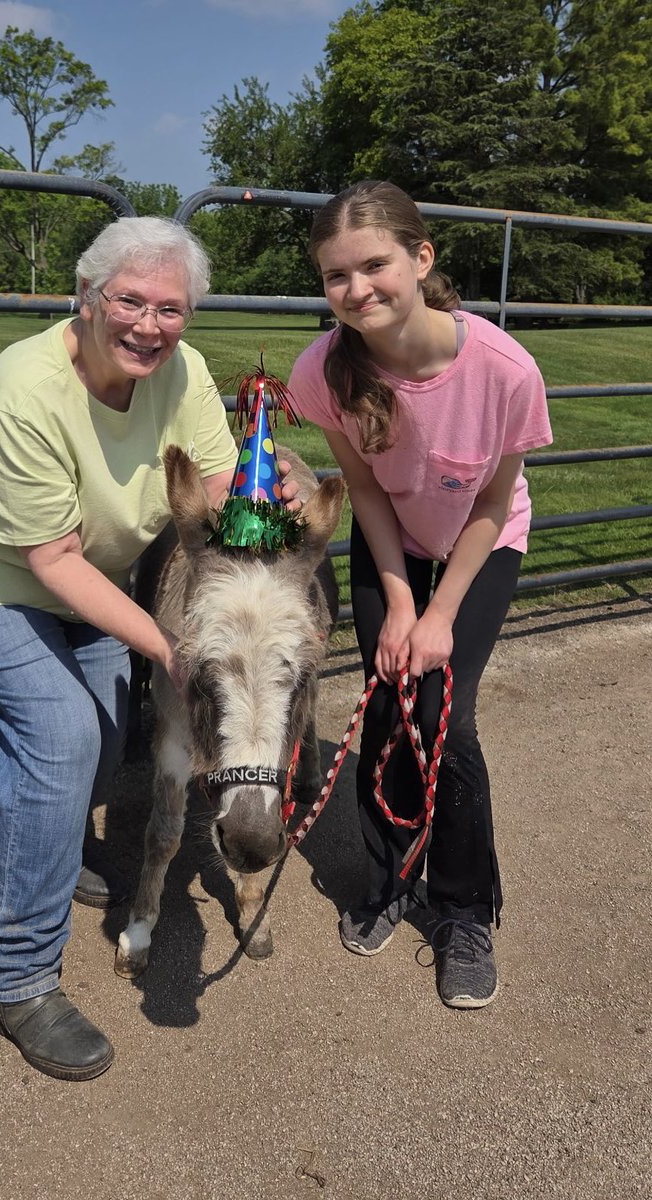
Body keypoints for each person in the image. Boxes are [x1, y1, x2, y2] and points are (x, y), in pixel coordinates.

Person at [0, 217, 280, 1080]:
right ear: (86, 296)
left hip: (83, 577)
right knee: (63, 735)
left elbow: (216, 486)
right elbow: (50, 560)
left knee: (105, 740)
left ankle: (49, 847)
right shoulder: (24, 388)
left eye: (169, 307)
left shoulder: (182, 371)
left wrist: (262, 490)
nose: (149, 323)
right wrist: (176, 649)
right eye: (128, 299)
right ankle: (16, 979)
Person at [288, 181, 553, 1009]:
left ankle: (465, 907)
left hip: (480, 540)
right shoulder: (323, 369)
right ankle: (392, 874)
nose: (357, 290)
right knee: (395, 704)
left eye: (375, 265)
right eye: (337, 276)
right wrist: (401, 604)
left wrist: (441, 614)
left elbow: (489, 503)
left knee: (447, 717)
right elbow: (365, 491)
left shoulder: (504, 369)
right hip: (394, 538)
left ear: (421, 257)